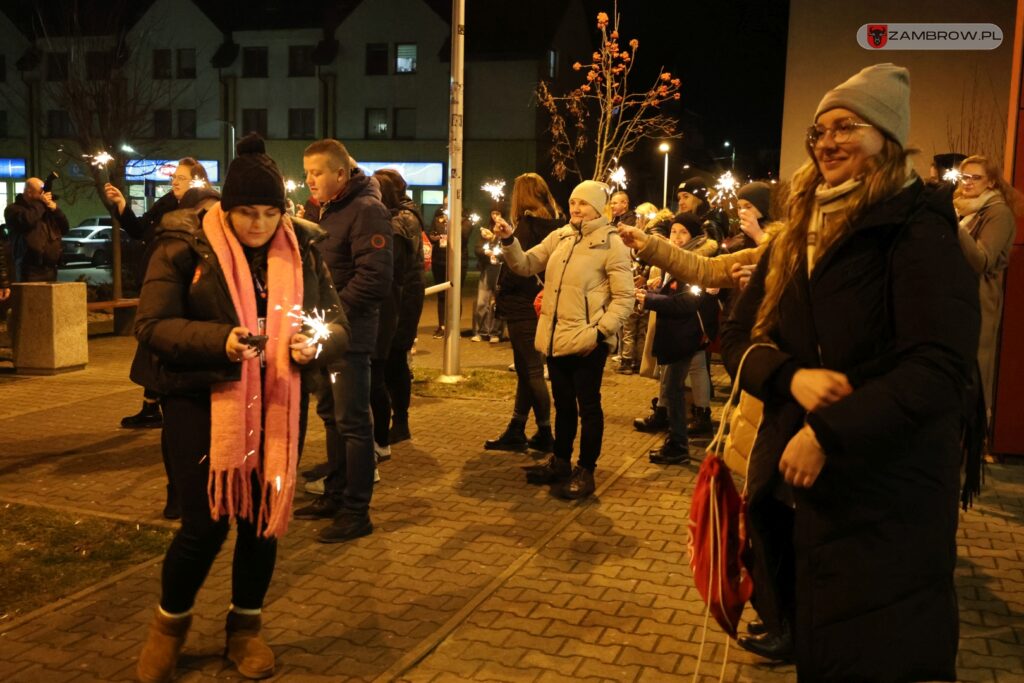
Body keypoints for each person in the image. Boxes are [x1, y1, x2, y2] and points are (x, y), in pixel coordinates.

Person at [721, 63, 979, 679]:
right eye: (820, 130)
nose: (829, 141)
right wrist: (789, 379)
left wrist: (830, 430)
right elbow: (736, 337)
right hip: (807, 495)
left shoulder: (914, 229)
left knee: (881, 648)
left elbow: (940, 367)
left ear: (885, 138)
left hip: (887, 492)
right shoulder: (796, 234)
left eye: (847, 127)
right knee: (824, 643)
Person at [132, 134, 349, 683]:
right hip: (201, 402)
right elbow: (153, 326)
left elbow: (338, 325)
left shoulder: (302, 250)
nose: (258, 224)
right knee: (202, 525)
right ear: (226, 210)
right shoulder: (182, 246)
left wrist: (314, 345)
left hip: (279, 403)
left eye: (270, 212)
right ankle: (169, 627)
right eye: (247, 213)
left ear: (283, 211)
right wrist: (221, 340)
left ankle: (245, 628)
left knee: (260, 523)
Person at [494, 180, 633, 499]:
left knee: (589, 407)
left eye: (583, 203)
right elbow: (525, 265)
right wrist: (508, 240)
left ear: (599, 207)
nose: (575, 208)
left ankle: (586, 470)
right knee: (563, 406)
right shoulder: (562, 236)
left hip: (588, 342)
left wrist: (599, 333)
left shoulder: (611, 243)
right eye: (572, 202)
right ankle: (560, 460)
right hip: (557, 338)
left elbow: (625, 298)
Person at [293, 139, 393, 544]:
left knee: (353, 422)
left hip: (348, 335)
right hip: (327, 334)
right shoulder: (327, 211)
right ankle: (334, 494)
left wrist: (328, 317)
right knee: (333, 417)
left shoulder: (367, 210)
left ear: (340, 173)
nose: (309, 181)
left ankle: (357, 510)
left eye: (316, 173)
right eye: (306, 174)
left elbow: (374, 279)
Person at [106, 158, 211, 430]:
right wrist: (121, 206)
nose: (174, 181)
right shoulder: (167, 203)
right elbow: (140, 230)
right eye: (174, 176)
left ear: (196, 180)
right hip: (160, 283)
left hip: (186, 287)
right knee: (153, 344)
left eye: (181, 177)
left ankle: (163, 407)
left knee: (162, 345)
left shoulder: (204, 207)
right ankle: (152, 407)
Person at [484, 173, 562, 453]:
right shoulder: (556, 224)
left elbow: (520, 266)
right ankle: (517, 428)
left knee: (531, 370)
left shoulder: (528, 226)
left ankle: (545, 432)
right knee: (527, 370)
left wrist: (502, 288)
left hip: (522, 304)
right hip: (540, 302)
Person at [640, 213, 714, 465]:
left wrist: (650, 300)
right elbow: (674, 293)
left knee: (673, 389)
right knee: (671, 388)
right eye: (673, 232)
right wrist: (654, 289)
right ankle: (676, 441)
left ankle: (678, 444)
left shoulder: (696, 261)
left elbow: (688, 301)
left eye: (683, 232)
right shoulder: (675, 259)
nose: (677, 237)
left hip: (687, 335)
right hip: (676, 334)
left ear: (693, 235)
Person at [954, 154, 1018, 422]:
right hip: (957, 299)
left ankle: (971, 446)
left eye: (975, 178)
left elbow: (982, 260)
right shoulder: (963, 208)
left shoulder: (998, 212)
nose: (967, 183)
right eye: (964, 177)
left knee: (974, 373)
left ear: (991, 182)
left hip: (979, 302)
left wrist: (952, 226)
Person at [372, 169, 426, 445]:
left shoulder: (399, 220)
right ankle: (398, 421)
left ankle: (399, 422)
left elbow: (395, 268)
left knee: (393, 360)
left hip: (401, 301)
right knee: (394, 359)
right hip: (404, 297)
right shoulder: (407, 214)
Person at [4, 176, 69, 283]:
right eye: (40, 192)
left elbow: (65, 228)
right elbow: (28, 220)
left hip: (50, 268)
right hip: (29, 269)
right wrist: (41, 203)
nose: (43, 195)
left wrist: (56, 210)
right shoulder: (14, 209)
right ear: (29, 192)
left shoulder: (45, 209)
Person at [426, 198, 471, 338]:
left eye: (449, 203)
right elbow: (431, 232)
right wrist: (433, 237)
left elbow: (463, 236)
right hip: (440, 260)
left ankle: (454, 326)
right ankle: (442, 325)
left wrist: (453, 222)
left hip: (458, 261)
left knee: (455, 293)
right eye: (445, 204)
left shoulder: (465, 221)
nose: (446, 206)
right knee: (441, 294)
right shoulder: (438, 219)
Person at [472, 216, 503, 343]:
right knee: (481, 302)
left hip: (500, 272)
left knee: (495, 303)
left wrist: (497, 254)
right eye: (495, 225)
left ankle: (494, 332)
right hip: (487, 270)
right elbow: (478, 249)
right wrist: (486, 252)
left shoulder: (504, 238)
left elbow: (508, 252)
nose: (497, 227)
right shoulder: (486, 236)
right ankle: (481, 331)